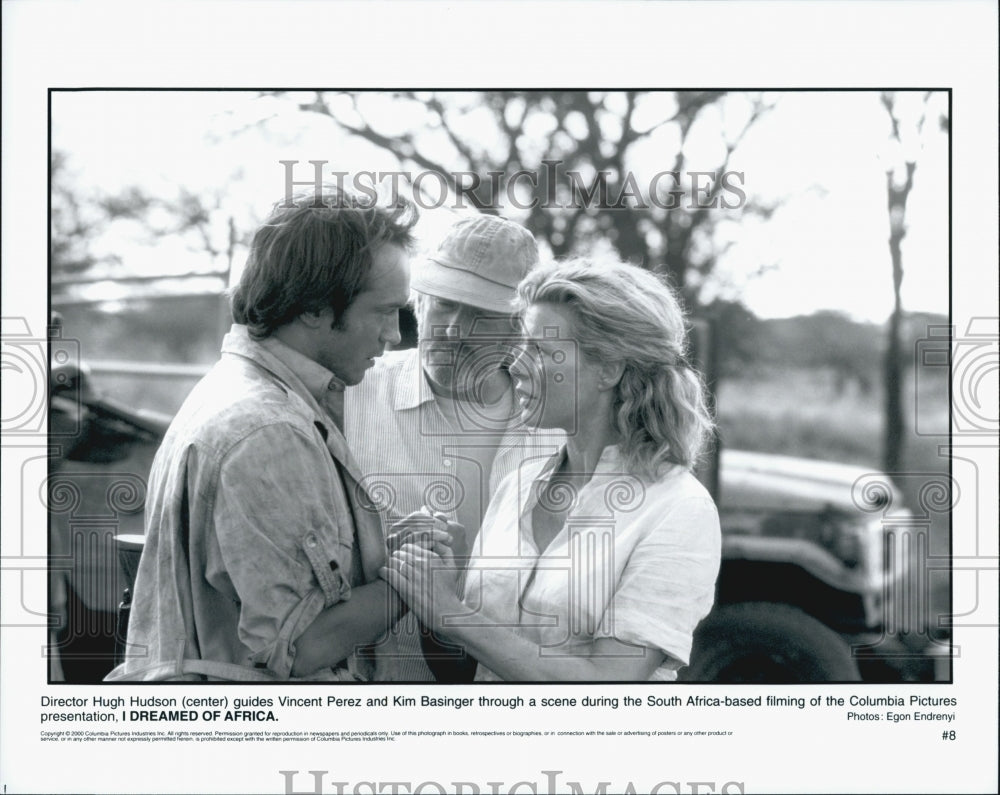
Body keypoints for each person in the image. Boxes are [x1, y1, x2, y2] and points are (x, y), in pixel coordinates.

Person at [106, 190, 417, 681]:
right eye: (382, 311)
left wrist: (389, 549)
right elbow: (295, 650)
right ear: (313, 307)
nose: (394, 335)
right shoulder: (268, 431)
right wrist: (415, 580)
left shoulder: (239, 392)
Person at [384, 257, 722, 681]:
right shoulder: (518, 484)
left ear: (609, 369)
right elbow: (463, 671)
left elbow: (606, 685)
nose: (515, 364)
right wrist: (438, 583)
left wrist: (451, 613)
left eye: (541, 350)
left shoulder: (679, 509)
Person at [344, 215, 563, 681]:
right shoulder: (348, 397)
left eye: (482, 314)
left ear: (520, 328)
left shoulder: (558, 431)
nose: (455, 330)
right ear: (418, 304)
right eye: (444, 304)